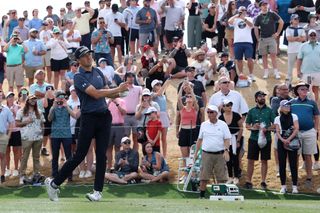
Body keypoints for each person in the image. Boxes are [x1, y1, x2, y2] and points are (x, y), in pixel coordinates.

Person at [45, 46, 129, 202]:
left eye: (89, 54)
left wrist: (121, 91)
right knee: (79, 155)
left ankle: (97, 191)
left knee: (102, 155)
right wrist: (116, 89)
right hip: (88, 118)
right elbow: (96, 94)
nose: (88, 57)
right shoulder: (78, 77)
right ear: (78, 61)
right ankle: (54, 183)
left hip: (104, 116)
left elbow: (107, 91)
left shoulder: (98, 72)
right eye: (84, 56)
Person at [195, 105, 231, 199]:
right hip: (206, 154)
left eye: (211, 112)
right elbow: (199, 140)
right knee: (204, 176)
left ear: (216, 113)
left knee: (221, 176)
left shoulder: (223, 124)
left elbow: (227, 139)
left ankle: (220, 195)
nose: (209, 114)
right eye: (208, 112)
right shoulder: (204, 125)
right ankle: (202, 196)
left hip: (220, 154)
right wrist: (196, 154)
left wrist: (226, 150)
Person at [245, 91, 276, 190]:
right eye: (260, 96)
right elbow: (247, 125)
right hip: (254, 138)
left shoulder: (270, 111)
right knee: (250, 160)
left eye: (263, 96)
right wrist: (253, 127)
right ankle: (248, 181)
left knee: (264, 160)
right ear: (256, 98)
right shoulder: (251, 111)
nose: (262, 98)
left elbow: (275, 124)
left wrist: (267, 129)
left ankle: (263, 181)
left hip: (266, 138)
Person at [291, 82, 319, 189]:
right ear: (297, 91)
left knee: (308, 155)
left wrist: (315, 129)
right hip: (295, 133)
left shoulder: (312, 102)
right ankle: (295, 178)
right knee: (296, 155)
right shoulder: (292, 102)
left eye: (306, 89)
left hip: (309, 131)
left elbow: (316, 116)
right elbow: (284, 112)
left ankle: (309, 177)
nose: (305, 91)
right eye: (302, 89)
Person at [48, 90, 79, 179]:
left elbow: (74, 116)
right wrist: (53, 107)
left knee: (69, 156)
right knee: (55, 156)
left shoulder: (67, 106)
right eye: (58, 97)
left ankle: (69, 175)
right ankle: (55, 174)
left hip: (66, 135)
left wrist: (66, 106)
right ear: (55, 98)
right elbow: (49, 119)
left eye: (62, 98)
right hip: (55, 135)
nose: (60, 99)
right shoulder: (53, 107)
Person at [15, 95, 45, 185]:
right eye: (32, 99)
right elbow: (17, 124)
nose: (33, 101)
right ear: (28, 100)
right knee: (25, 157)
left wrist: (42, 134)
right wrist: (26, 122)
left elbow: (42, 124)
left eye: (35, 99)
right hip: (27, 137)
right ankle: (22, 175)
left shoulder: (39, 112)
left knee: (36, 157)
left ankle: (36, 174)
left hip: (38, 138)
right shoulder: (21, 111)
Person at [274, 100, 299, 194]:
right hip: (281, 142)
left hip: (292, 141)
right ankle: (283, 186)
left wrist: (289, 139)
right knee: (282, 164)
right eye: (285, 105)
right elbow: (277, 131)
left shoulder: (294, 116)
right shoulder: (277, 118)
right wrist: (283, 140)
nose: (288, 107)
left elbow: (296, 129)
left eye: (289, 105)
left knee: (293, 164)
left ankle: (295, 186)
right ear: (281, 107)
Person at [254, 0, 283, 80]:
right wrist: (258, 39)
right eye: (263, 5)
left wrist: (277, 33)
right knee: (264, 56)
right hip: (263, 38)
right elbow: (255, 28)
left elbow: (281, 22)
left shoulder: (272, 14)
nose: (265, 6)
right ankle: (266, 72)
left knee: (273, 55)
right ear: (260, 7)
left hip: (271, 38)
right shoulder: (258, 16)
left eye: (266, 4)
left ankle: (276, 72)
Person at [177, 83, 199, 182]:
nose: (189, 98)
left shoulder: (195, 109)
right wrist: (182, 88)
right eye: (187, 97)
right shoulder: (182, 109)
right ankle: (186, 175)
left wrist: (191, 90)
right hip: (184, 132)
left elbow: (194, 99)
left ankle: (193, 174)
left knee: (192, 155)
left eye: (190, 97)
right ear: (185, 100)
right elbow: (178, 99)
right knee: (184, 155)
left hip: (192, 131)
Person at [219, 100, 243, 185]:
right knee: (227, 158)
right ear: (224, 107)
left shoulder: (236, 115)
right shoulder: (221, 117)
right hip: (226, 139)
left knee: (235, 158)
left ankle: (236, 176)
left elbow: (241, 128)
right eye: (228, 105)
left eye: (230, 105)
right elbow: (220, 130)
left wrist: (238, 140)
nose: (230, 106)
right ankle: (230, 177)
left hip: (236, 137)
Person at [228, 6, 255, 81]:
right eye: (241, 11)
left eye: (244, 10)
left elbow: (251, 25)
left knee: (250, 58)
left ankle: (251, 74)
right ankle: (241, 74)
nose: (243, 11)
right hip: (237, 42)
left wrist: (243, 18)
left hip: (248, 42)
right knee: (239, 59)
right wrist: (237, 15)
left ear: (246, 11)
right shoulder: (235, 19)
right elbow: (229, 21)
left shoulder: (249, 18)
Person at [297, 29, 320, 102]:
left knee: (316, 89)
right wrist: (298, 71)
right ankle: (307, 105)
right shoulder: (303, 46)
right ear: (308, 36)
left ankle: (315, 105)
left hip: (318, 72)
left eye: (314, 35)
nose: (313, 36)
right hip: (307, 72)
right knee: (307, 89)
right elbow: (299, 59)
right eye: (311, 35)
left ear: (316, 36)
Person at [123, 72, 142, 151]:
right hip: (125, 116)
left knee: (136, 137)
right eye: (129, 77)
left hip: (135, 116)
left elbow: (142, 98)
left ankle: (134, 156)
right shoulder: (122, 89)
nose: (131, 78)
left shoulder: (138, 88)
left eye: (132, 77)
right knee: (125, 138)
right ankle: (125, 155)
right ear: (126, 78)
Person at [151, 79, 171, 158]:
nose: (159, 86)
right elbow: (159, 93)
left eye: (159, 84)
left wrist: (168, 118)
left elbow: (165, 108)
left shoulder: (163, 96)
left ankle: (164, 156)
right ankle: (156, 155)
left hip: (164, 117)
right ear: (153, 87)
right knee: (156, 138)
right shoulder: (152, 94)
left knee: (164, 138)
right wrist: (166, 82)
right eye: (157, 85)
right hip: (157, 117)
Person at [107, 96, 126, 171]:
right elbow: (102, 112)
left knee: (118, 147)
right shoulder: (106, 101)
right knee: (108, 147)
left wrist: (117, 104)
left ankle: (116, 166)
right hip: (109, 126)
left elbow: (124, 112)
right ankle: (109, 166)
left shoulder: (121, 101)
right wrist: (109, 103)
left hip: (119, 125)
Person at [286, 14, 306, 86]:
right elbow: (289, 39)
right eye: (295, 19)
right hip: (291, 51)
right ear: (291, 20)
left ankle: (302, 81)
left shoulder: (301, 28)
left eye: (297, 19)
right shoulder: (288, 28)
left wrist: (294, 38)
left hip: (300, 50)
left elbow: (304, 38)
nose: (296, 20)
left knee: (301, 66)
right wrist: (298, 37)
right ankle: (288, 83)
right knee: (290, 67)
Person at [4, 92, 21, 178]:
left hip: (16, 131)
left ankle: (16, 169)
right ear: (6, 98)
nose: (11, 98)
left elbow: (18, 119)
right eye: (9, 97)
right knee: (6, 151)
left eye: (12, 97)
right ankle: (7, 169)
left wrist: (13, 112)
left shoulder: (17, 107)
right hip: (6, 131)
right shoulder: (3, 108)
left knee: (16, 151)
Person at [41, 85, 55, 156]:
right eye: (48, 90)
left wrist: (54, 95)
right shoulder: (44, 99)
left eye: (51, 89)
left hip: (53, 119)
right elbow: (45, 106)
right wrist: (46, 96)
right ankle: (43, 147)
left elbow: (55, 105)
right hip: (46, 119)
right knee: (45, 135)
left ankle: (53, 153)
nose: (49, 91)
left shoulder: (55, 99)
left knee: (51, 137)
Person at [39, 19, 53, 83]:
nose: (45, 26)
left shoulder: (50, 32)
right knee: (42, 68)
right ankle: (43, 81)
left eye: (46, 25)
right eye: (44, 25)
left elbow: (52, 40)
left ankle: (49, 81)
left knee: (49, 67)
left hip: (48, 51)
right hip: (42, 51)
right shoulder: (41, 33)